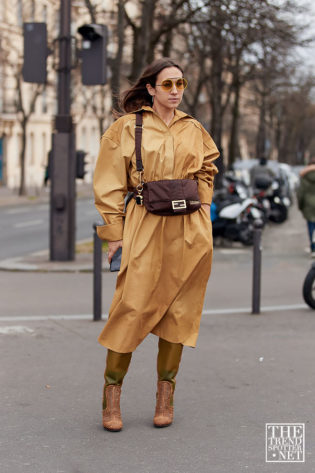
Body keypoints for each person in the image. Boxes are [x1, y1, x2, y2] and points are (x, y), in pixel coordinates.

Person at [93, 57, 219, 432]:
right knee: (131, 307)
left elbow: (206, 169)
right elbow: (109, 182)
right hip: (146, 224)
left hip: (189, 228)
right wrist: (114, 233)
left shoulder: (194, 128)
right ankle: (110, 397)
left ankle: (166, 396)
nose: (176, 91)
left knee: (178, 313)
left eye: (180, 83)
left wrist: (206, 212)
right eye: (167, 85)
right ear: (150, 88)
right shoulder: (126, 128)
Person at [297, 157, 315, 257]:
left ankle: (313, 247)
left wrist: (300, 206)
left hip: (308, 204)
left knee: (311, 226)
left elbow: (301, 193)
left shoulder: (305, 176)